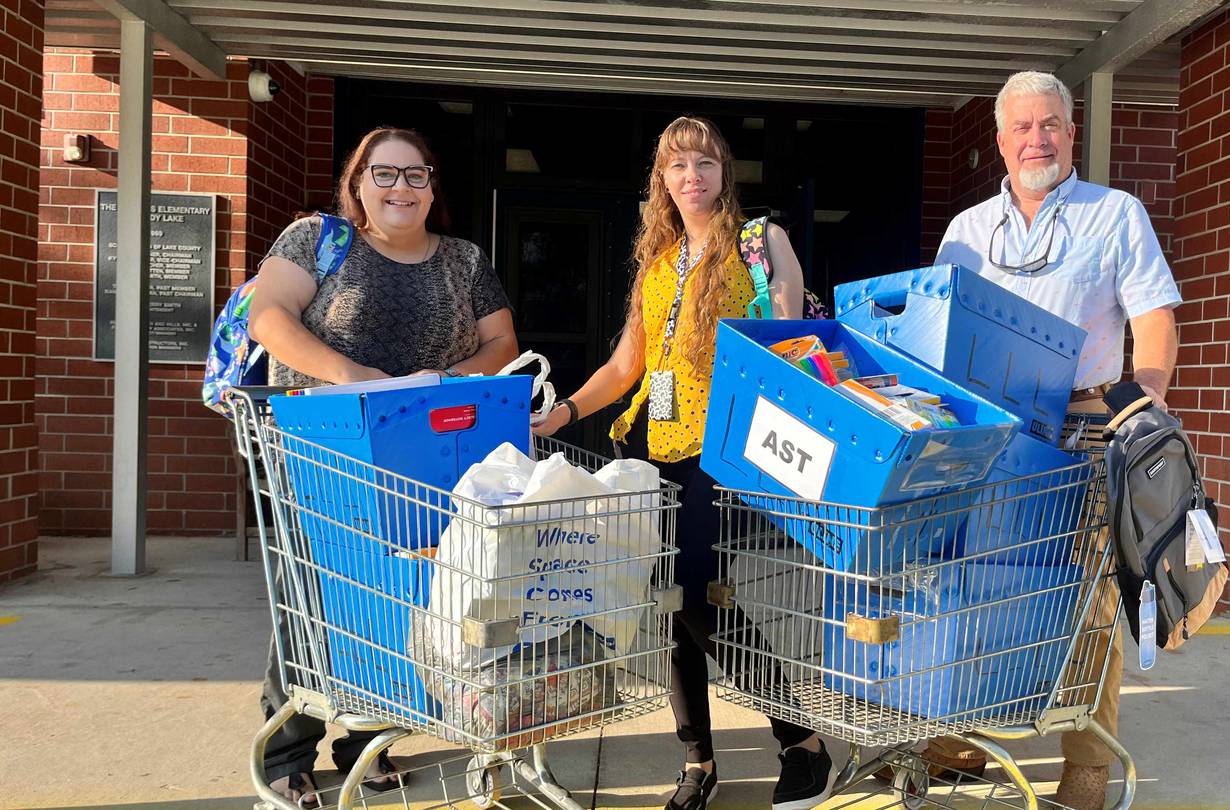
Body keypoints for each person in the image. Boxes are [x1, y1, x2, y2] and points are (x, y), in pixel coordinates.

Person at [535, 116, 831, 810]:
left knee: (694, 592)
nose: (690, 176)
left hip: (724, 446)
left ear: (724, 172)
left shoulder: (759, 242)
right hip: (658, 441)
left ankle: (800, 739)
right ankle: (697, 761)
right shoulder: (658, 263)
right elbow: (628, 366)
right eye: (676, 167)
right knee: (671, 606)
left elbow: (787, 339)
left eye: (703, 163)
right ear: (660, 182)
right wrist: (565, 412)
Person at [929, 71, 1181, 810]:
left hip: (1083, 430)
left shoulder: (1115, 215)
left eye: (1051, 125)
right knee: (974, 585)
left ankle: (1088, 764)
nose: (1036, 139)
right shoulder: (968, 231)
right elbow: (941, 328)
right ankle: (963, 741)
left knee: (1093, 600)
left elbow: (1155, 318)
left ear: (1072, 134)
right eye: (1022, 128)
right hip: (989, 435)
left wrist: (1149, 396)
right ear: (1000, 141)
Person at [248, 126, 519, 806]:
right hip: (323, 444)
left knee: (401, 597)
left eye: (416, 175)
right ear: (358, 183)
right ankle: (289, 751)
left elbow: (501, 340)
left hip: (421, 448)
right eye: (385, 174)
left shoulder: (463, 260)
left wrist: (443, 380)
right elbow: (269, 316)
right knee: (315, 597)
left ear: (433, 187)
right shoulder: (317, 239)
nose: (401, 188)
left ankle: (364, 740)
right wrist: (356, 377)